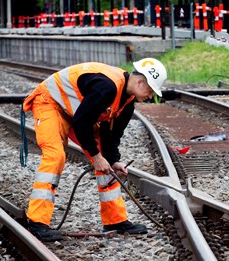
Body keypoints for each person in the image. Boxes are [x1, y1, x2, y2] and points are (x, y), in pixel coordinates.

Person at [21, 58, 167, 242]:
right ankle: (37, 222)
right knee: (55, 155)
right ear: (140, 81)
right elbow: (82, 122)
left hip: (75, 112)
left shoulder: (127, 103)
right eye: (150, 90)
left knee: (106, 162)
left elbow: (111, 135)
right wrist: (96, 156)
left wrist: (112, 160)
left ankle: (115, 220)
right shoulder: (107, 87)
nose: (150, 96)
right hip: (50, 102)